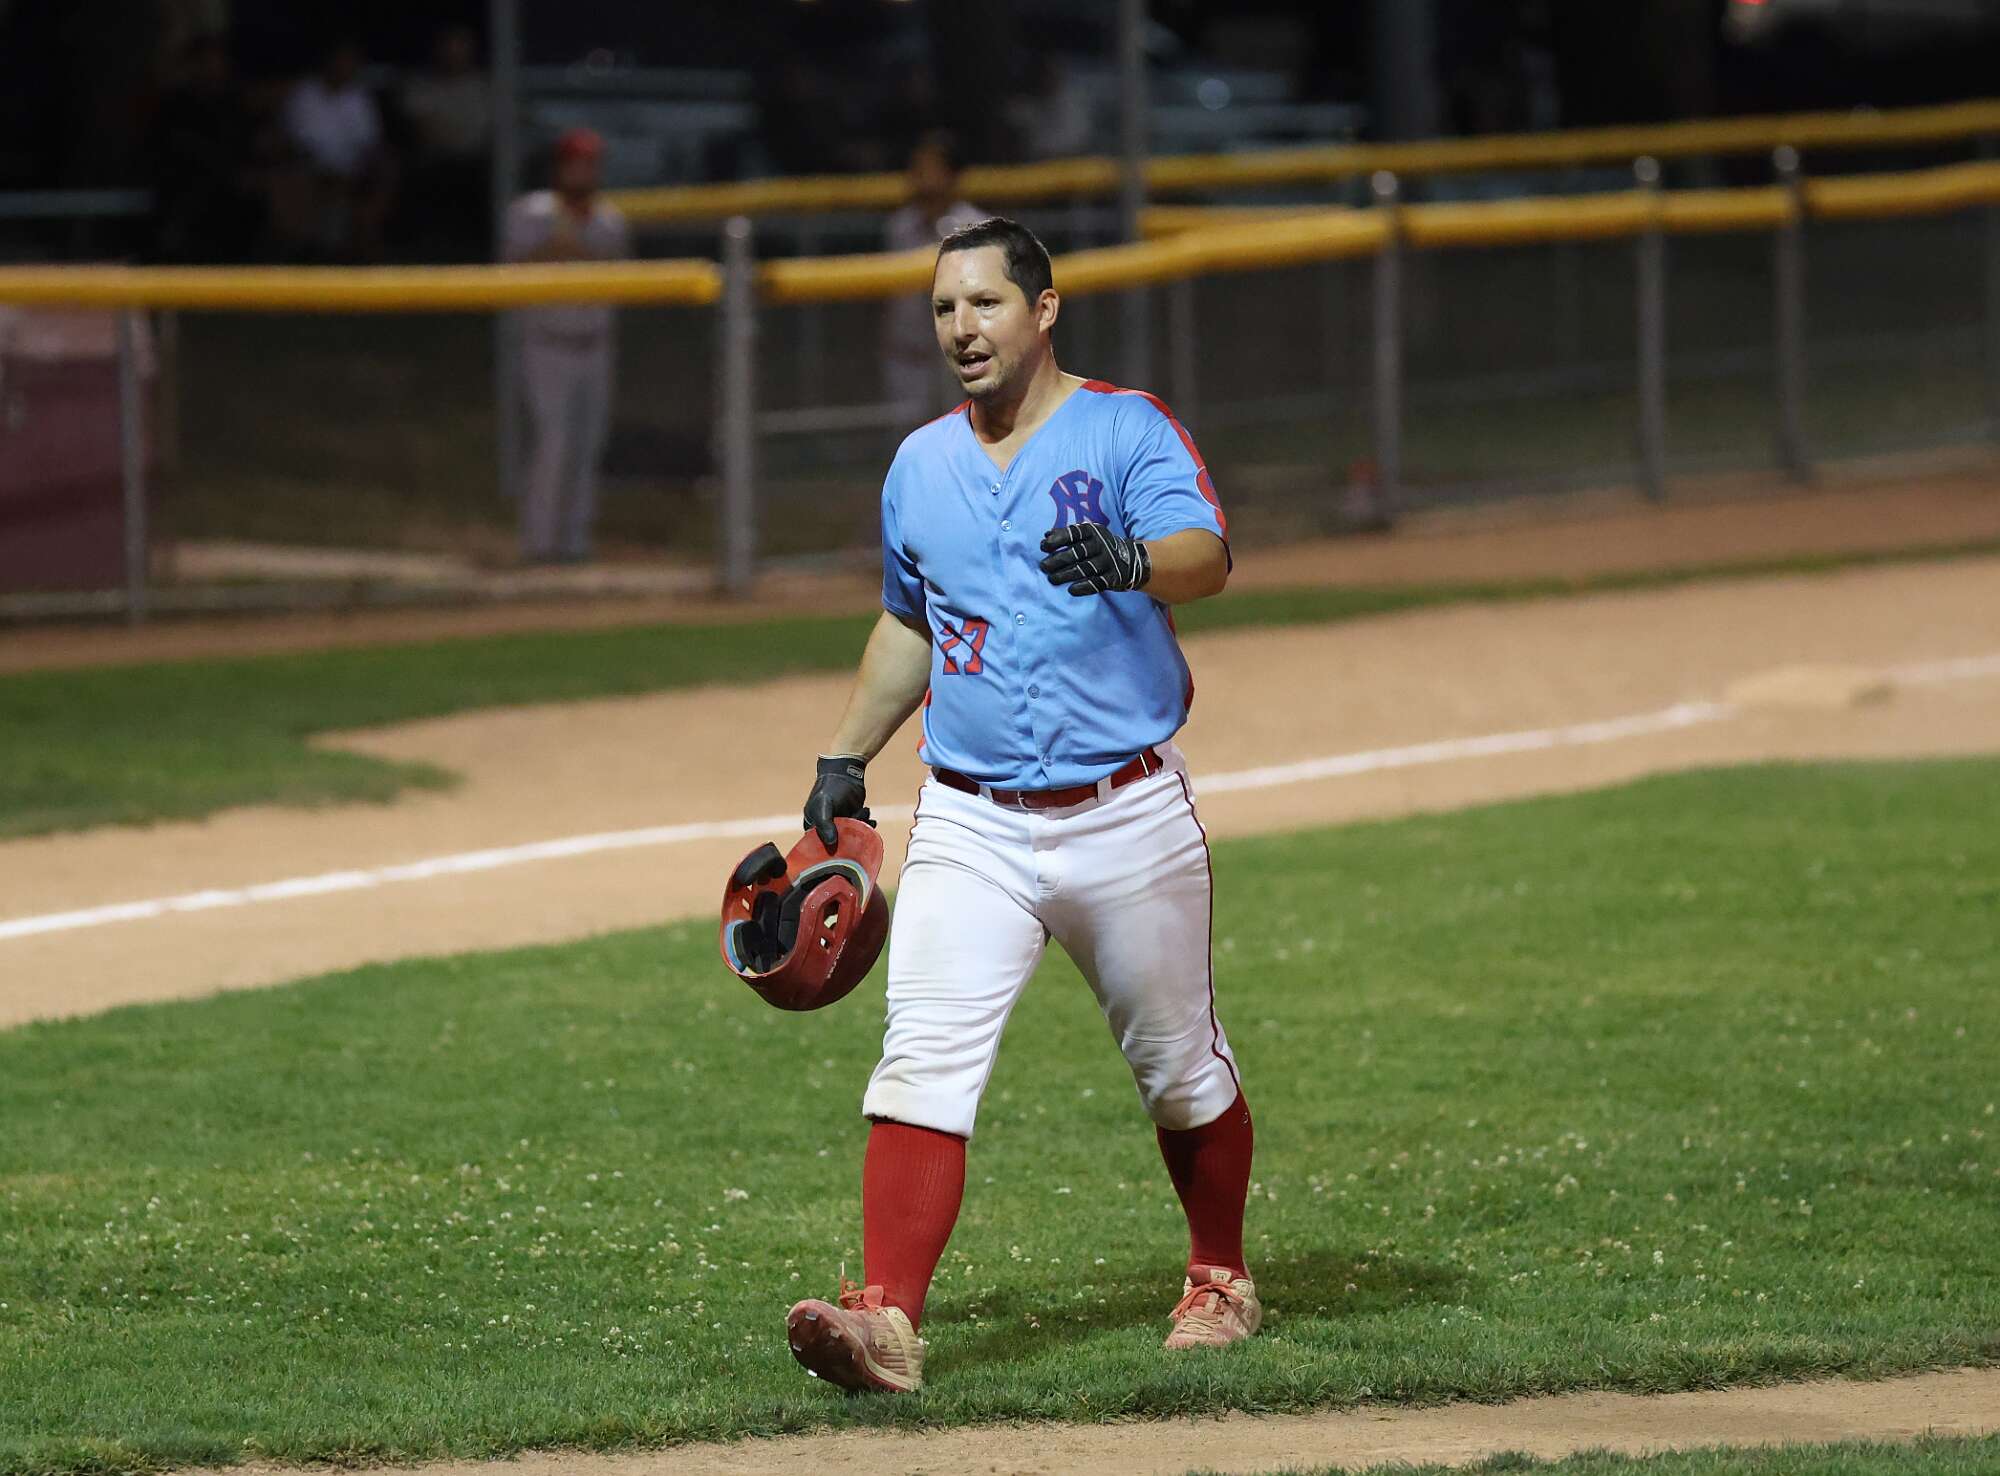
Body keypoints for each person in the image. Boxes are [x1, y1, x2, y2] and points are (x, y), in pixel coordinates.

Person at [785, 217, 1254, 1395]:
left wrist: (1134, 561)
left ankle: (1219, 1276)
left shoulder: (1123, 428)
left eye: (985, 303)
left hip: (1124, 812)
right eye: (944, 309)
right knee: (920, 1058)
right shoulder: (919, 465)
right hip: (970, 817)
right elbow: (910, 621)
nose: (962, 328)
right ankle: (887, 1320)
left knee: (1178, 1069)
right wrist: (844, 754)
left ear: (1043, 311)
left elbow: (1205, 553)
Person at [502, 128, 630, 565]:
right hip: (548, 344)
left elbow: (616, 272)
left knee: (589, 445)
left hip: (595, 344)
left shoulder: (610, 219)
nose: (585, 171)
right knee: (554, 444)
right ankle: (539, 545)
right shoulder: (531, 212)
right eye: (577, 163)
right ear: (560, 167)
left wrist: (573, 248)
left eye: (591, 164)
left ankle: (575, 544)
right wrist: (559, 246)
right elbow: (514, 264)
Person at [880, 132, 985, 426]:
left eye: (933, 167)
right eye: (918, 168)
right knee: (907, 439)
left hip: (964, 355)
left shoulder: (979, 226)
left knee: (966, 439)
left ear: (952, 174)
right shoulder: (900, 226)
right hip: (909, 354)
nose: (924, 177)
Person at [281, 37, 395, 260]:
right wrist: (324, 170)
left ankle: (365, 243)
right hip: (309, 171)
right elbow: (294, 142)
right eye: (340, 60)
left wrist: (358, 168)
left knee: (387, 169)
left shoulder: (359, 98)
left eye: (350, 62)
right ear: (328, 62)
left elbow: (370, 144)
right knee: (296, 177)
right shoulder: (304, 95)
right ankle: (308, 251)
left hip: (353, 172)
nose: (344, 66)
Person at [400, 23, 491, 254]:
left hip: (479, 161)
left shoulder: (484, 85)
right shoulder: (421, 85)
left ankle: (481, 248)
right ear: (439, 49)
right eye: (450, 46)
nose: (455, 52)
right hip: (434, 160)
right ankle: (424, 247)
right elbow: (424, 131)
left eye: (461, 46)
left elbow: (495, 129)